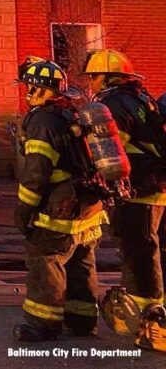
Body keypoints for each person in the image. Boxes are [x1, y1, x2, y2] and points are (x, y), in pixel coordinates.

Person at [13, 57, 105, 342]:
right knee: (81, 262)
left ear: (39, 89)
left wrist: (23, 210)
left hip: (60, 208)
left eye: (30, 85)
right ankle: (82, 321)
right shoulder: (73, 113)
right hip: (89, 204)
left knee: (46, 259)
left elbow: (36, 172)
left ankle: (43, 324)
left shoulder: (42, 120)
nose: (27, 91)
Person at [84, 49, 166, 348]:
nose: (90, 82)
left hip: (137, 190)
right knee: (155, 252)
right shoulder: (144, 98)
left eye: (93, 76)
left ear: (106, 77)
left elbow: (108, 151)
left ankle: (152, 326)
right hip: (158, 186)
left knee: (139, 254)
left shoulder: (109, 105)